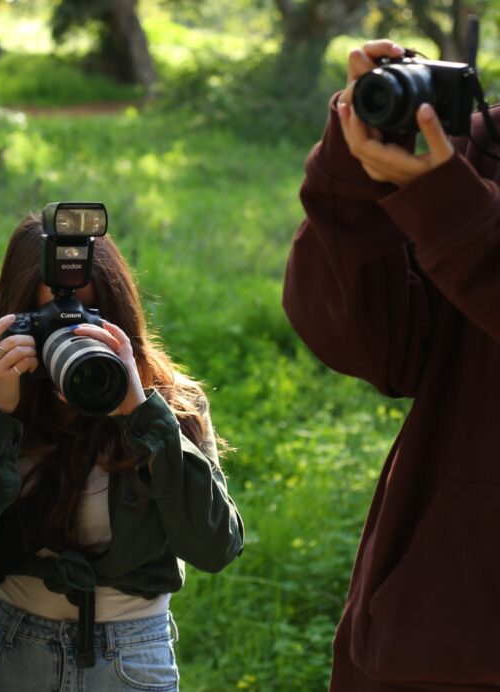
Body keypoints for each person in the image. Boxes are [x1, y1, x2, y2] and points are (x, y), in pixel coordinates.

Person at [0, 214, 245, 690]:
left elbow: (214, 547)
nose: (74, 342)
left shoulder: (168, 403)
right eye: (52, 324)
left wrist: (141, 415)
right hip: (3, 646)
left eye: (92, 318)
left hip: (132, 654)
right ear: (16, 319)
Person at [283, 39, 500, 690]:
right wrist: (349, 182)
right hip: (444, 635)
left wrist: (461, 219)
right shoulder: (480, 141)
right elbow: (382, 353)